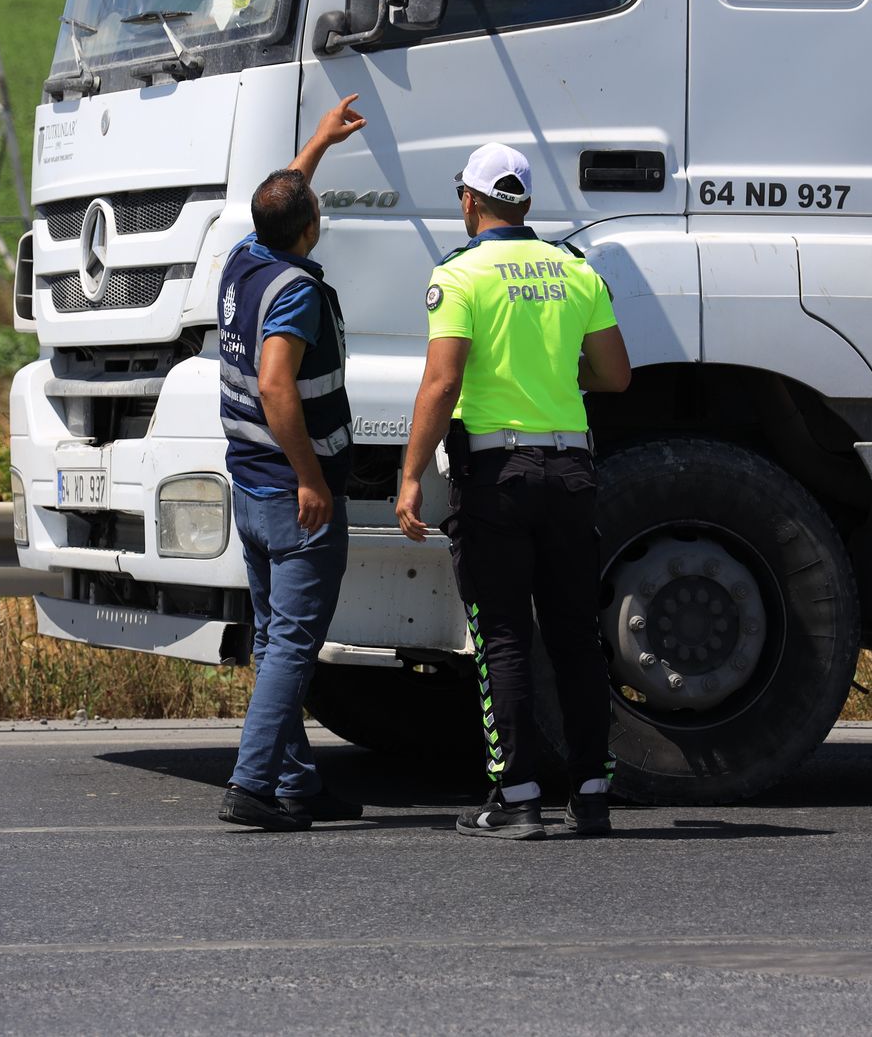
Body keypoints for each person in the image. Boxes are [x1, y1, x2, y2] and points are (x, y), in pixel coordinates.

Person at [395, 143, 632, 841]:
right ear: (525, 204)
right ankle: (591, 794)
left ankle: (520, 797)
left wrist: (409, 475)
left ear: (468, 201)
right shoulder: (574, 269)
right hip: (571, 475)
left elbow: (441, 383)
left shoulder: (460, 275)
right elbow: (616, 375)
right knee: (576, 638)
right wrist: (558, 375)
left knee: (503, 635)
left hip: (497, 476)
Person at [216, 93, 370, 832]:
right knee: (293, 645)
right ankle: (250, 784)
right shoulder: (295, 290)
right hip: (292, 491)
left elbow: (282, 197)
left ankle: (297, 785)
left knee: (276, 635)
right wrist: (311, 476)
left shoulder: (246, 258)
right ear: (309, 228)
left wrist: (317, 142)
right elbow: (279, 383)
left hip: (249, 486)